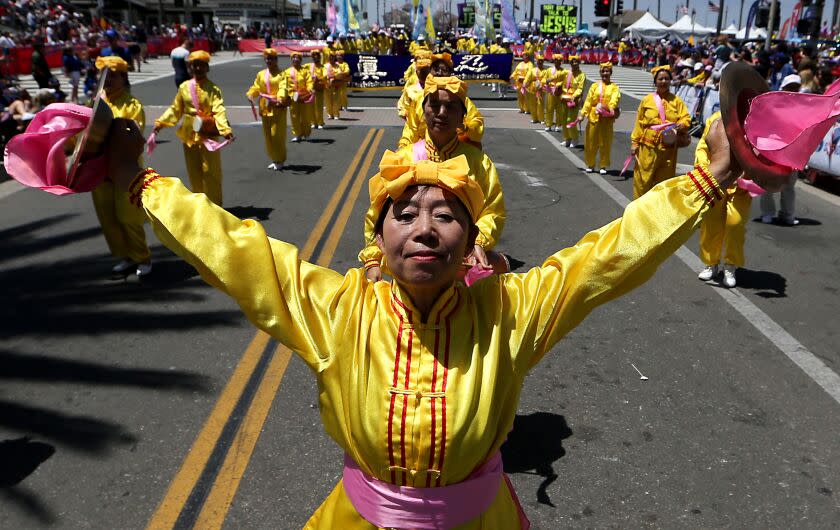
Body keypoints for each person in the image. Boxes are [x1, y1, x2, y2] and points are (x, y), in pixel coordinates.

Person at [105, 92, 745, 530]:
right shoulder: (337, 308)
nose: (425, 229)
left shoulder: (509, 313)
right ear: (378, 235)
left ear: (470, 240)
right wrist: (140, 180)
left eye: (446, 216)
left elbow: (607, 258)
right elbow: (234, 249)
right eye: (405, 214)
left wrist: (705, 179)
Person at [361, 75, 506, 283]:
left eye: (451, 107)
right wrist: (373, 260)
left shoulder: (479, 162)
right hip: (411, 263)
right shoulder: (403, 159)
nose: (441, 113)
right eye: (434, 104)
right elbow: (377, 214)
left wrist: (478, 241)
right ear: (423, 109)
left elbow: (492, 210)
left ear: (462, 116)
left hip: (459, 260)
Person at [89, 56, 152, 277]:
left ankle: (142, 257)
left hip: (125, 170)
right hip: (99, 169)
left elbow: (133, 136)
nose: (108, 80)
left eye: (113, 75)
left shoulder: (132, 105)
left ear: (124, 78)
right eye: (104, 75)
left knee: (128, 216)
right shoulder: (96, 102)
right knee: (108, 216)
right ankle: (125, 256)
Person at [153, 50, 234, 206]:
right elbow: (175, 110)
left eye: (202, 65)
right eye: (194, 65)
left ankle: (215, 205)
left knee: (211, 171)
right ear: (190, 67)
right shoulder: (184, 87)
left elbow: (219, 111)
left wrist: (225, 130)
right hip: (189, 133)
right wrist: (160, 123)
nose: (198, 68)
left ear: (207, 67)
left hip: (208, 131)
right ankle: (200, 205)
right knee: (194, 171)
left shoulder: (213, 89)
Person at [695, 112, 750, 288]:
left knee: (735, 224)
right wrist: (707, 171)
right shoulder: (717, 118)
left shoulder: (756, 119)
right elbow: (703, 147)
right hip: (717, 178)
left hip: (741, 183)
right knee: (711, 222)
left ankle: (730, 265)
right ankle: (711, 263)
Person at [630, 65, 691, 197]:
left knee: (664, 183)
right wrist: (635, 143)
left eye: (666, 79)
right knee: (643, 180)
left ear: (670, 81)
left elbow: (686, 118)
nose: (663, 82)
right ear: (655, 81)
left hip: (668, 149)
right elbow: (639, 123)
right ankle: (638, 210)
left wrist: (680, 125)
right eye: (660, 79)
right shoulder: (647, 100)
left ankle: (657, 213)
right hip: (648, 148)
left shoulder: (677, 101)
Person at [760, 74, 801, 226]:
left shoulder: (802, 107)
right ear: (783, 88)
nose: (794, 90)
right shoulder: (773, 104)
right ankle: (767, 213)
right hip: (773, 149)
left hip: (792, 152)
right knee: (768, 183)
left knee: (789, 185)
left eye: (796, 87)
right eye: (791, 87)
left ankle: (787, 215)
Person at [247, 48, 288, 171]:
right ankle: (274, 158)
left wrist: (280, 98)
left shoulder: (282, 74)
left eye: (272, 58)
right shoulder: (261, 74)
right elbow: (256, 87)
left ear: (276, 60)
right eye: (267, 59)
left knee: (276, 134)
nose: (269, 61)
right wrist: (251, 94)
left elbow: (283, 87)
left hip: (277, 107)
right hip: (265, 107)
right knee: (268, 135)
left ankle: (280, 159)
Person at [579, 62, 620, 174]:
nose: (605, 73)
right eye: (603, 71)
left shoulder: (614, 87)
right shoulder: (595, 86)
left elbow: (614, 100)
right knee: (590, 142)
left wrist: (609, 109)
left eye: (607, 71)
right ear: (600, 73)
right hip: (593, 118)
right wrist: (582, 114)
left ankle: (603, 165)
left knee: (605, 143)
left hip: (606, 120)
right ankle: (590, 164)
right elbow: (588, 101)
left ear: (610, 73)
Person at [551, 55, 585, 146]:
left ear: (579, 63)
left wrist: (574, 96)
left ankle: (575, 139)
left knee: (570, 120)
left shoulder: (581, 75)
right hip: (564, 99)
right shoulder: (567, 72)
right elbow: (558, 76)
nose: (574, 64)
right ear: (570, 63)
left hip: (573, 101)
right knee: (564, 120)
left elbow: (580, 88)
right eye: (573, 62)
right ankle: (567, 139)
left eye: (576, 62)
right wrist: (552, 80)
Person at [284, 51, 314, 142]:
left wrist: (308, 91)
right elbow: (284, 84)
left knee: (306, 116)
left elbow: (309, 82)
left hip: (304, 96)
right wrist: (288, 95)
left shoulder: (305, 71)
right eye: (294, 58)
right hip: (293, 97)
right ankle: (297, 134)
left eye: (297, 58)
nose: (295, 59)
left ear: (300, 60)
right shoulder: (287, 71)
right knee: (294, 116)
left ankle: (307, 134)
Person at [324, 51, 349, 120]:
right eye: (330, 57)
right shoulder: (325, 66)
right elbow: (324, 75)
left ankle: (336, 114)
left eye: (332, 57)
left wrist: (334, 76)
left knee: (336, 100)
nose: (331, 58)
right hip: (328, 86)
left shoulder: (337, 66)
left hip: (336, 85)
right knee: (328, 101)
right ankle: (329, 114)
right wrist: (330, 77)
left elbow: (340, 74)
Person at [309, 50, 326, 130]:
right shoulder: (309, 66)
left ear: (319, 57)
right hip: (311, 89)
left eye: (317, 56)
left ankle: (320, 122)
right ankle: (313, 122)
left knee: (319, 106)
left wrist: (318, 79)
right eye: (314, 56)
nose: (315, 57)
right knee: (311, 106)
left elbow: (325, 76)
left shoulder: (323, 67)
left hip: (319, 89)